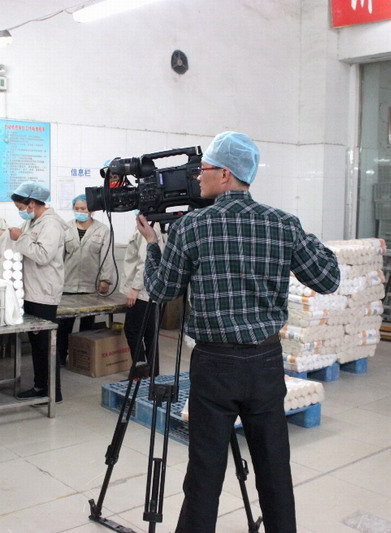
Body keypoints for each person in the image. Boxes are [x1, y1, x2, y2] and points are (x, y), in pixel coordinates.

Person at [136, 131, 340, 533]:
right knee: (274, 467)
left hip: (214, 365)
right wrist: (296, 234)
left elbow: (161, 291)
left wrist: (153, 245)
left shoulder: (192, 227)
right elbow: (328, 278)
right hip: (265, 363)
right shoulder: (282, 223)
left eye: (203, 169)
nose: (197, 176)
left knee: (204, 473)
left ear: (225, 174)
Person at [9, 181, 68, 403]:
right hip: (32, 290)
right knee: (37, 343)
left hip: (44, 291)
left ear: (31, 203)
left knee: (45, 344)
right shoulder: (33, 221)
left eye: (21, 207)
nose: (21, 212)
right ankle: (40, 386)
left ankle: (53, 392)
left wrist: (20, 238)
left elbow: (43, 255)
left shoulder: (51, 224)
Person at [56, 194, 116, 366]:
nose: (80, 211)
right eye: (77, 208)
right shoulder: (65, 228)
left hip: (91, 286)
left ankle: (83, 360)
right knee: (64, 325)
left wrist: (105, 280)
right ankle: (60, 358)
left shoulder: (102, 230)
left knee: (87, 326)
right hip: (67, 285)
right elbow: (58, 258)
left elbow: (107, 257)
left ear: (91, 210)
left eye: (84, 208)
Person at [121, 212, 166, 375]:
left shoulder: (148, 229)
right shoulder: (156, 227)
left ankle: (140, 371)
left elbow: (144, 260)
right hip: (151, 291)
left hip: (142, 292)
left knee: (133, 331)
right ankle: (153, 372)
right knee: (149, 333)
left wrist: (135, 288)